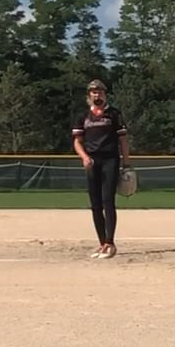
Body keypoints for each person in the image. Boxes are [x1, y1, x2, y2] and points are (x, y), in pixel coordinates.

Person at [72, 79, 128, 259]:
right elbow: (77, 141)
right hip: (92, 161)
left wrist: (126, 163)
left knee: (107, 200)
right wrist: (84, 157)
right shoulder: (83, 116)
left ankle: (110, 243)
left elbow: (123, 140)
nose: (97, 95)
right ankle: (102, 243)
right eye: (94, 92)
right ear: (89, 95)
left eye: (100, 92)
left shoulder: (113, 114)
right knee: (95, 204)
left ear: (105, 94)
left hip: (110, 159)